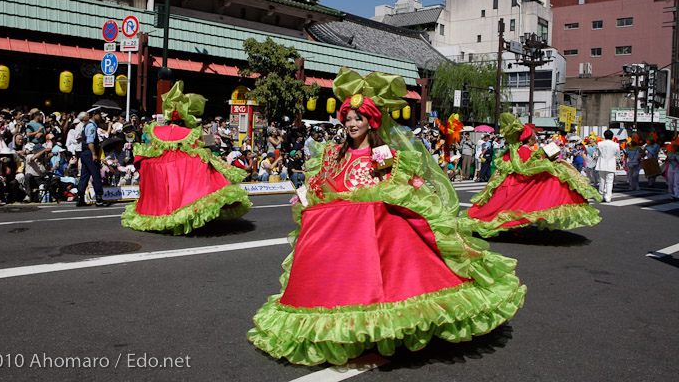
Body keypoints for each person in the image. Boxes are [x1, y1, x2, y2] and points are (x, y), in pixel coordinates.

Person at [248, 68, 526, 366]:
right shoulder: (332, 154)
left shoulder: (382, 153)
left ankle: (381, 335)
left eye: (359, 119)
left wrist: (417, 193)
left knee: (379, 288)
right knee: (341, 289)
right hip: (336, 233)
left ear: (371, 121)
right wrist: (305, 196)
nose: (352, 124)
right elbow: (321, 185)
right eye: (348, 119)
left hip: (373, 232)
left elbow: (401, 184)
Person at [121, 81, 251, 235]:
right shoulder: (189, 132)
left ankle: (164, 217)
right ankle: (184, 216)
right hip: (180, 168)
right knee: (191, 183)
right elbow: (205, 145)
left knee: (168, 194)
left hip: (159, 167)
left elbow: (151, 150)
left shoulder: (158, 130)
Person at [459, 113, 602, 237]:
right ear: (528, 139)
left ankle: (515, 228)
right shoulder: (525, 150)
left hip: (514, 183)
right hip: (518, 183)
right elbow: (528, 167)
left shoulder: (520, 150)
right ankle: (509, 227)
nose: (536, 139)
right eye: (534, 137)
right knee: (512, 207)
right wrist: (547, 160)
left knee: (509, 207)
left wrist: (545, 158)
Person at [76, 109, 106, 207]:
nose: (100, 117)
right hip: (89, 153)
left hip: (84, 153)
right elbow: (90, 142)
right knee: (96, 174)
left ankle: (80, 197)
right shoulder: (91, 126)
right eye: (99, 115)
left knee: (84, 175)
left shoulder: (87, 125)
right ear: (94, 115)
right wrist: (94, 154)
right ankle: (99, 198)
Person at [595, 129, 622, 203]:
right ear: (612, 136)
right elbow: (618, 155)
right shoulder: (616, 145)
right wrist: (617, 161)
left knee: (601, 181)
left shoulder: (600, 144)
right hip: (611, 164)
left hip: (601, 163)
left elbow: (597, 154)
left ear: (604, 136)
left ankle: (601, 195)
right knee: (609, 181)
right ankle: (608, 197)